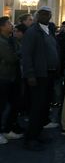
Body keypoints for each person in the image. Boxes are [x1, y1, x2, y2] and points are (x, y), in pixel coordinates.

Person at [21, 6, 60, 151]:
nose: (45, 16)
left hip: (48, 74)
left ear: (50, 16)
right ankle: (30, 138)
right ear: (38, 16)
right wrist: (30, 74)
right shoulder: (32, 32)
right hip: (38, 75)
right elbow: (26, 55)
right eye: (42, 13)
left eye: (47, 13)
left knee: (44, 107)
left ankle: (38, 133)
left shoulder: (48, 30)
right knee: (36, 108)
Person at [0, 16, 22, 145]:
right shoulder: (2, 42)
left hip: (12, 77)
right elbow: (11, 58)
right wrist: (19, 54)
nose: (11, 25)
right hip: (3, 77)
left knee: (14, 104)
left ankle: (8, 129)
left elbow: (19, 50)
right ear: (1, 27)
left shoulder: (11, 40)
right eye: (8, 23)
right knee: (1, 106)